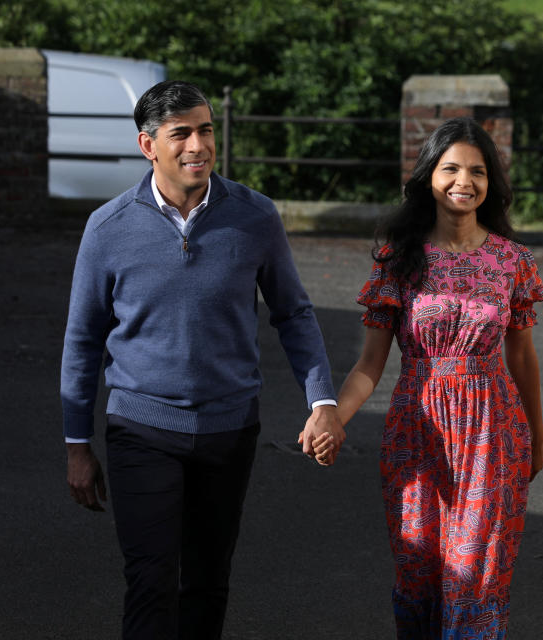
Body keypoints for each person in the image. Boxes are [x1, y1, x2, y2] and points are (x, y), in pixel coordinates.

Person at [60, 80, 344, 640]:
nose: (198, 145)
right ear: (148, 146)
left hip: (230, 428)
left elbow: (294, 313)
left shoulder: (255, 217)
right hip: (141, 429)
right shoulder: (108, 228)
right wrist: (76, 445)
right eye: (181, 133)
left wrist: (323, 399)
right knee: (151, 579)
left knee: (209, 581)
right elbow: (83, 339)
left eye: (206, 130)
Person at [309, 117, 543, 638]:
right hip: (416, 434)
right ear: (429, 178)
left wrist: (536, 435)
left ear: (491, 184)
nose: (466, 181)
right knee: (419, 571)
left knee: (474, 573)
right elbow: (369, 364)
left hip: (492, 434)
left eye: (479, 172)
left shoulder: (513, 261)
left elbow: (523, 357)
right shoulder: (398, 260)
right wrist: (332, 417)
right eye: (452, 168)